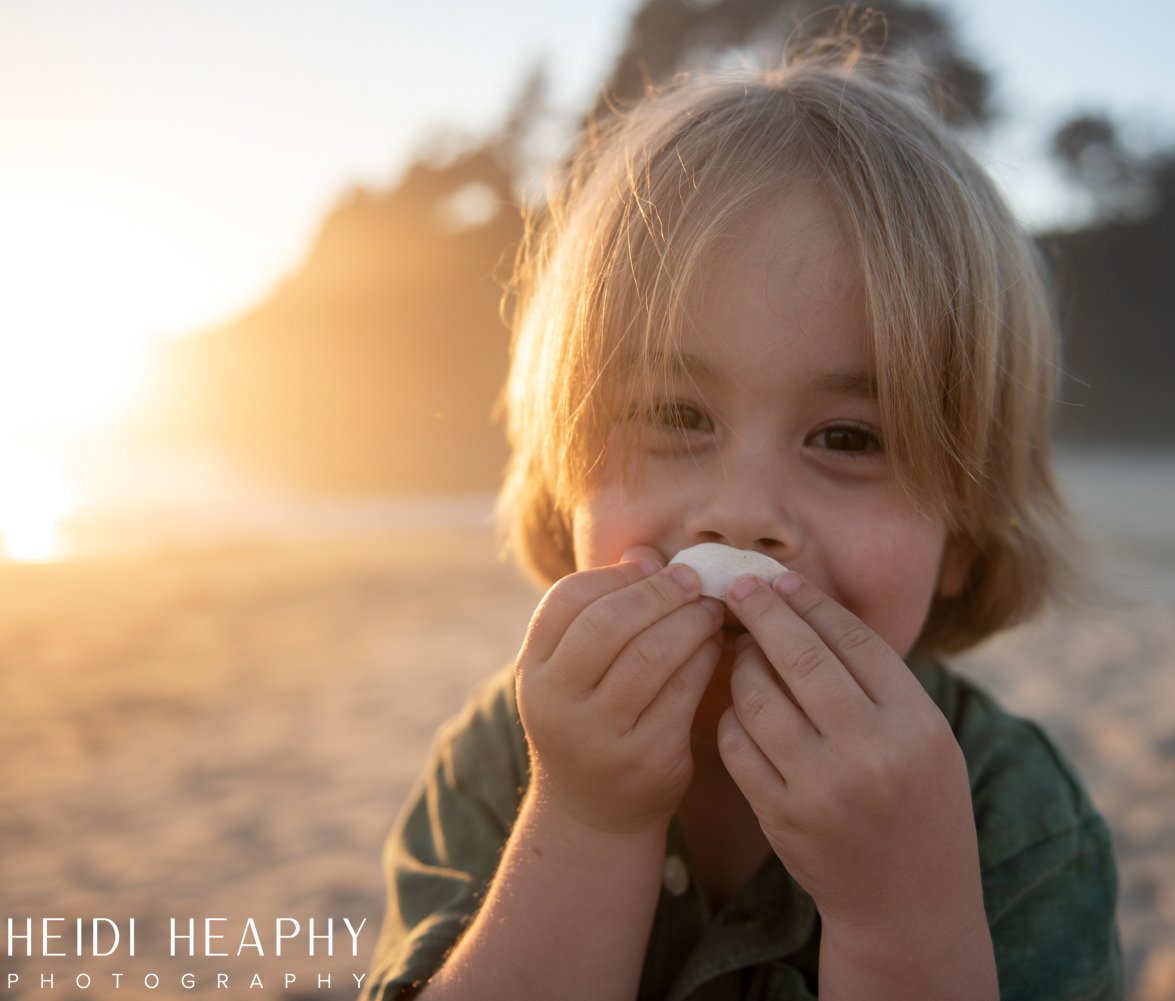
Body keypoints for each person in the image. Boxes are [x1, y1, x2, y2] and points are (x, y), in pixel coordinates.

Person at [362, 34, 1122, 1001]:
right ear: (564, 479)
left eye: (848, 438)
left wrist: (902, 920)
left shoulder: (1015, 818)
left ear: (964, 538)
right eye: (677, 416)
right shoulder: (500, 763)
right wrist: (590, 824)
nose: (743, 517)